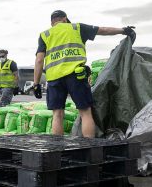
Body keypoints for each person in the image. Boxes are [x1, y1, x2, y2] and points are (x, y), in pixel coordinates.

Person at [33, 10, 136, 138]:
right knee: (85, 112)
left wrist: (36, 83)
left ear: (52, 22)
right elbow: (103, 30)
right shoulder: (77, 28)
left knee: (57, 114)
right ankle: (89, 149)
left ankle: (57, 150)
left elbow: (39, 60)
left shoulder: (45, 35)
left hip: (54, 79)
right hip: (76, 76)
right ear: (65, 19)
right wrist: (123, 30)